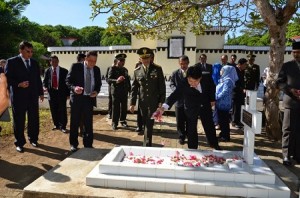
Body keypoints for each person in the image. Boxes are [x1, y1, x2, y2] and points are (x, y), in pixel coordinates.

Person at [159, 66, 220, 150]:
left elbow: (212, 87)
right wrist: (163, 107)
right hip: (191, 106)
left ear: (200, 78)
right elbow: (174, 95)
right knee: (191, 129)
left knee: (209, 126)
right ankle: (192, 148)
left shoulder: (207, 77)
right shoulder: (183, 83)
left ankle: (214, 145)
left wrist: (212, 99)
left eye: (196, 81)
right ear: (187, 77)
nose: (193, 83)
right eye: (190, 81)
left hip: (205, 105)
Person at [5, 41, 44, 153]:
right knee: (19, 120)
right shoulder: (11, 62)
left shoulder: (34, 63)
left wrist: (41, 93)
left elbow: (37, 79)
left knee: (34, 119)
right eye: (28, 51)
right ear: (20, 50)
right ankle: (19, 143)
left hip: (32, 96)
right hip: (18, 97)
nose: (30, 54)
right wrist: (19, 84)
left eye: (31, 52)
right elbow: (7, 79)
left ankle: (33, 139)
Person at [66, 51, 102, 152]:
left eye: (94, 61)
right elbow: (68, 81)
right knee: (75, 122)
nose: (92, 63)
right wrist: (74, 88)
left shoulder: (96, 69)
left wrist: (96, 91)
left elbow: (98, 84)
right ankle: (73, 144)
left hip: (89, 99)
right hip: (77, 98)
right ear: (85, 59)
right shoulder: (76, 67)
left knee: (88, 123)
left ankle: (88, 144)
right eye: (90, 60)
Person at [130, 47, 166, 147]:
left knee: (149, 123)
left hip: (154, 101)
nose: (145, 60)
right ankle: (147, 142)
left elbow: (161, 86)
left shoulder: (157, 69)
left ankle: (147, 144)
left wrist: (161, 102)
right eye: (143, 58)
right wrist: (132, 103)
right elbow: (134, 88)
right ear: (140, 59)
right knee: (145, 122)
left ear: (150, 58)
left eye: (147, 58)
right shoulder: (137, 71)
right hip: (142, 102)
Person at [276, 41, 300, 166]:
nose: (296, 55)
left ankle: (297, 155)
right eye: (294, 52)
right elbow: (279, 82)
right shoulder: (287, 66)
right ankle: (286, 155)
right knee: (288, 130)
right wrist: (290, 90)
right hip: (290, 102)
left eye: (299, 53)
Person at [43, 55, 69, 133]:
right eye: (52, 61)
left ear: (58, 61)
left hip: (61, 93)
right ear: (50, 62)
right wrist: (45, 87)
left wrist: (68, 94)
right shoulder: (47, 71)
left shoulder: (64, 71)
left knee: (62, 110)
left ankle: (63, 126)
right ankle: (56, 125)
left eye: (55, 61)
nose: (54, 63)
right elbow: (45, 81)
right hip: (51, 93)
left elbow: (67, 83)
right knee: (53, 110)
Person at [169, 55, 189, 145]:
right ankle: (181, 137)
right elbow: (171, 84)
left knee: (189, 120)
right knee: (180, 121)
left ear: (188, 63)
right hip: (178, 101)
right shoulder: (175, 73)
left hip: (189, 101)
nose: (183, 66)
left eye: (185, 64)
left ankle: (189, 135)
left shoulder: (192, 72)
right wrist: (176, 90)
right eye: (181, 64)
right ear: (179, 63)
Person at [107, 54, 131, 130]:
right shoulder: (112, 68)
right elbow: (108, 79)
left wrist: (130, 90)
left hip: (124, 91)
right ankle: (114, 122)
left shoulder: (125, 70)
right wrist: (116, 81)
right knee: (116, 108)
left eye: (124, 60)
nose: (122, 62)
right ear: (117, 60)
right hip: (116, 91)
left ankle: (123, 120)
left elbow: (128, 80)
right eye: (121, 60)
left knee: (124, 107)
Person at [216, 66, 238, 141]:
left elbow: (225, 91)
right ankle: (222, 134)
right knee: (221, 120)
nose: (220, 71)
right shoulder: (224, 79)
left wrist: (216, 97)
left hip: (224, 103)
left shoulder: (228, 80)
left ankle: (225, 136)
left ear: (227, 71)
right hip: (220, 103)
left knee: (224, 121)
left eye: (222, 70)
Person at [231, 58, 247, 128]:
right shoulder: (234, 70)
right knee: (235, 108)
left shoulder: (242, 71)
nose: (245, 66)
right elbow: (234, 82)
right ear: (240, 64)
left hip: (241, 93)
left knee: (240, 107)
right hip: (235, 92)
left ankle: (238, 121)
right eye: (245, 64)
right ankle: (234, 121)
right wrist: (241, 89)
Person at [76, 53, 86, 136]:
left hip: (86, 96)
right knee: (80, 115)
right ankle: (81, 130)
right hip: (78, 95)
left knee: (83, 114)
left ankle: (82, 129)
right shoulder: (75, 68)